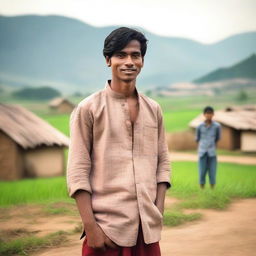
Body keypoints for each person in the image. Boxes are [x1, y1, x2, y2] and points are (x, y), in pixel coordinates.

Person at [67, 27, 171, 256]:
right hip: (107, 231)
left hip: (147, 230)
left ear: (142, 60)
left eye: (135, 55)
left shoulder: (154, 109)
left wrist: (157, 209)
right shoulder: (88, 109)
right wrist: (91, 228)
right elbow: (77, 171)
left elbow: (163, 162)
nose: (129, 62)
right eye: (121, 55)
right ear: (108, 60)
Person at [196, 106, 221, 189]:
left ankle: (212, 189)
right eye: (207, 113)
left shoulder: (217, 126)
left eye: (210, 113)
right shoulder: (199, 127)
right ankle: (202, 189)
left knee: (212, 171)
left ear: (213, 114)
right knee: (202, 171)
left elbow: (217, 138)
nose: (208, 115)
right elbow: (197, 138)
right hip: (202, 152)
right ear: (204, 114)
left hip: (212, 152)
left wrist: (212, 146)